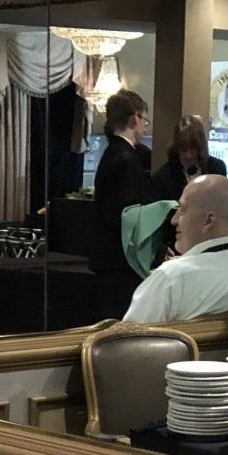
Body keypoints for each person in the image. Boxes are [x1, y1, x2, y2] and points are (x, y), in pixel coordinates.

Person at [123, 175, 228, 326]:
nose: (174, 219)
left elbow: (126, 341)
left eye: (183, 209)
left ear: (209, 220)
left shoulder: (171, 279)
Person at [88, 88, 156, 318]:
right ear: (134, 118)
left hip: (108, 258)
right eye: (144, 120)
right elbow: (129, 215)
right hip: (120, 261)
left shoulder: (112, 153)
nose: (145, 126)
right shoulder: (127, 158)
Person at [152, 117, 227, 202]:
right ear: (176, 148)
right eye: (183, 149)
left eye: (193, 149)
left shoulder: (217, 169)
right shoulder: (162, 178)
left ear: (200, 147)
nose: (188, 155)